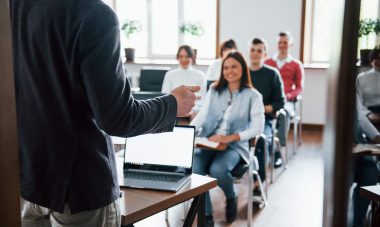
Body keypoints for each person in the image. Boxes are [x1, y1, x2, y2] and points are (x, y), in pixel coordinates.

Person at [11, 1, 199, 226]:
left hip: (29, 181)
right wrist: (172, 105)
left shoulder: (14, 7)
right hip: (81, 189)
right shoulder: (93, 14)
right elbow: (119, 118)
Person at [191, 51, 265, 226]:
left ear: (243, 69)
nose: (229, 71)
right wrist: (187, 132)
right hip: (209, 142)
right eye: (226, 67)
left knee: (218, 170)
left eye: (234, 67)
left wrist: (229, 137)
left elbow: (258, 128)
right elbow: (202, 115)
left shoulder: (253, 96)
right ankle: (206, 215)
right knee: (195, 169)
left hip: (235, 145)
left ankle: (231, 196)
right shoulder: (214, 90)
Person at [248, 38, 286, 195]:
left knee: (261, 141)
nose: (255, 54)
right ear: (248, 52)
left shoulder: (272, 74)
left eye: (259, 50)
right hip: (242, 120)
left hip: (265, 119)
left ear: (265, 54)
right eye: (253, 50)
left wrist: (261, 109)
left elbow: (280, 102)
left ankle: (258, 183)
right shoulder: (243, 73)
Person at [265, 31, 304, 139]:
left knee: (284, 112)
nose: (282, 45)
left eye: (285, 43)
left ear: (290, 45)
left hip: (286, 100)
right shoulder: (267, 63)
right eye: (280, 42)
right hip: (269, 100)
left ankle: (279, 145)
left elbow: (299, 87)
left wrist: (289, 96)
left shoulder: (296, 65)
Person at [352, 96, 380, 227]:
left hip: (359, 146)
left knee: (371, 172)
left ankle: (357, 222)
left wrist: (376, 136)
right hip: (343, 150)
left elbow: (361, 118)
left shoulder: (353, 94)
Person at [161, 45, 206, 117]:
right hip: (173, 111)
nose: (184, 59)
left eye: (187, 56)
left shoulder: (200, 75)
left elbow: (203, 99)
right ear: (177, 57)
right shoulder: (169, 74)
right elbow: (165, 95)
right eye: (181, 56)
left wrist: (193, 110)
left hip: (193, 112)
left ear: (192, 57)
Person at [356, 47, 380, 129]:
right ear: (371, 61)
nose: (378, 61)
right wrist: (368, 114)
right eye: (376, 58)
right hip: (369, 113)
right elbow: (358, 101)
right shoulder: (362, 78)